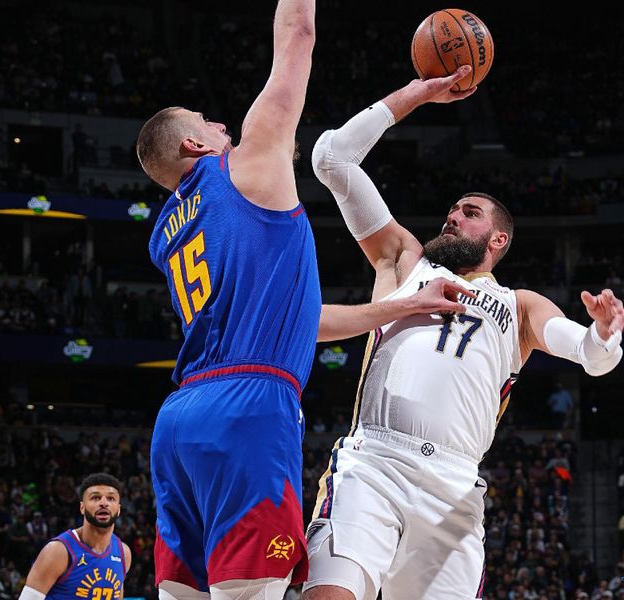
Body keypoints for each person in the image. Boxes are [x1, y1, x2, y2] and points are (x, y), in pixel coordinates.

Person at [135, 2, 470, 598]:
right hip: (248, 408)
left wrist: (400, 307)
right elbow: (297, 31)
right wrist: (415, 93)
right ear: (192, 143)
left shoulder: (169, 229)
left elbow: (300, 322)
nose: (221, 125)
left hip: (181, 419)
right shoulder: (248, 160)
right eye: (206, 121)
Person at [303, 66, 624, 600]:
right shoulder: (405, 260)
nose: (452, 216)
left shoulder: (520, 306)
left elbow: (591, 357)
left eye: (469, 212)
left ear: (498, 238)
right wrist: (416, 94)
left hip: (454, 488)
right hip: (375, 464)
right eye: (452, 208)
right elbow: (331, 159)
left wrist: (605, 333)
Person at [20, 473, 131, 600]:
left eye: (111, 499)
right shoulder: (58, 551)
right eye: (95, 498)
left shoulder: (123, 553)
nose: (104, 503)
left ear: (119, 509)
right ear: (82, 507)